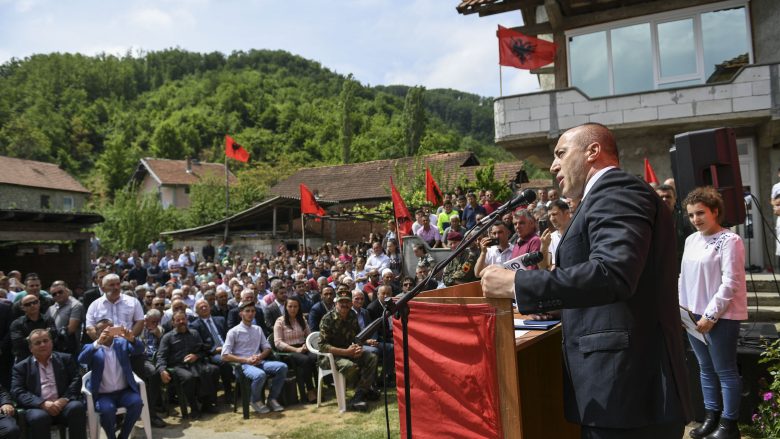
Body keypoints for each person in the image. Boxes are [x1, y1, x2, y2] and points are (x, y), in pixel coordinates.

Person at [480, 123, 691, 438]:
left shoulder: (617, 189)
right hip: (619, 391)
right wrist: (555, 308)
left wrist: (516, 285)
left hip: (629, 392)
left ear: (593, 151)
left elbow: (613, 274)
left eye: (561, 154)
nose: (553, 166)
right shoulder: (603, 197)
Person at [679, 186, 747, 439]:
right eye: (691, 215)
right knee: (704, 368)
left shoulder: (730, 240)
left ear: (715, 211)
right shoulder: (690, 240)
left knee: (725, 370)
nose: (696, 219)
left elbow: (731, 282)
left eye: (701, 213)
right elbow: (684, 278)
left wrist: (711, 315)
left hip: (721, 316)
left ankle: (729, 425)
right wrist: (681, 311)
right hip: (693, 315)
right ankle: (711, 418)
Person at [13, 329, 86, 439]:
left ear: (51, 343)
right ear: (31, 348)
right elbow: (17, 391)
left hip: (63, 405)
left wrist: (64, 399)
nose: (43, 344)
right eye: (37, 343)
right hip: (38, 408)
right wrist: (42, 403)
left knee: (77, 407)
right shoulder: (21, 367)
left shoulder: (65, 359)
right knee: (38, 418)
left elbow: (76, 380)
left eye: (45, 341)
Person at [78, 320, 143, 439]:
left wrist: (132, 339)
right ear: (97, 333)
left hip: (124, 391)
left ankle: (123, 436)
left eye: (110, 329)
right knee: (107, 411)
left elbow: (139, 350)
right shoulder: (92, 347)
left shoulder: (122, 343)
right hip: (104, 395)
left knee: (137, 403)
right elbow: (81, 359)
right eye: (103, 330)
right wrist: (98, 342)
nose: (107, 332)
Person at [222, 301, 288, 414]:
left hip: (259, 362)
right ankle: (255, 400)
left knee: (282, 367)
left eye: (253, 311)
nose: (251, 313)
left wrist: (259, 356)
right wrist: (246, 360)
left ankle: (272, 398)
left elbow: (267, 348)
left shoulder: (257, 329)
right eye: (247, 311)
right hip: (243, 365)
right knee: (260, 375)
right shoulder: (233, 332)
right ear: (241, 314)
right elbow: (225, 355)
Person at [318, 291, 379, 411]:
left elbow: (356, 337)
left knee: (372, 357)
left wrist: (359, 347)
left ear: (351, 303)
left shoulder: (352, 315)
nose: (344, 304)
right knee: (350, 366)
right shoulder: (327, 319)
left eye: (347, 301)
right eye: (341, 301)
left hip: (349, 351)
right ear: (336, 303)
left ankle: (359, 394)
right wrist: (346, 352)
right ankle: (363, 392)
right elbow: (323, 346)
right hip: (331, 356)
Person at [157, 311, 220, 416]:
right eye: (178, 320)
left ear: (187, 320)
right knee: (188, 377)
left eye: (183, 319)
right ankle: (194, 407)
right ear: (173, 323)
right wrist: (162, 370)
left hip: (195, 363)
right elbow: (161, 356)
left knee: (213, 370)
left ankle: (207, 404)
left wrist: (196, 356)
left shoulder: (194, 333)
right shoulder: (167, 337)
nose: (181, 322)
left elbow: (203, 351)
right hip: (177, 366)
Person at [273, 296, 317, 403]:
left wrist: (307, 345)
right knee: (305, 360)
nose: (293, 309)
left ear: (299, 307)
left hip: (303, 347)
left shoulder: (302, 319)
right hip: (288, 351)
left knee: (316, 357)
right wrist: (295, 350)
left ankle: (319, 387)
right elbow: (278, 342)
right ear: (286, 307)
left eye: (295, 306)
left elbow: (309, 335)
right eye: (290, 306)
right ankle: (310, 391)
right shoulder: (280, 321)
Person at [189, 299, 233, 401]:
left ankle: (242, 388)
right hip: (211, 353)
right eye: (201, 307)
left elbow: (229, 335)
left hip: (228, 348)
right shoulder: (195, 325)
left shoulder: (220, 319)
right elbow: (199, 344)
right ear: (197, 311)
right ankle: (228, 391)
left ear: (210, 308)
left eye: (206, 306)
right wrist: (214, 350)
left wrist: (229, 346)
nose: (204, 308)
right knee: (223, 362)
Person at [10, 293, 59, 362]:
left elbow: (53, 335)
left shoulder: (48, 319)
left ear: (39, 303)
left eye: (35, 302)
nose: (32, 305)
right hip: (26, 361)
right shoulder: (16, 324)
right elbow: (19, 343)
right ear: (22, 308)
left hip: (48, 359)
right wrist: (44, 335)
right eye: (28, 304)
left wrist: (29, 339)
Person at [45, 281, 83, 356]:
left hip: (69, 347)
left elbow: (71, 329)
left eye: (60, 292)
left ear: (67, 291)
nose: (57, 295)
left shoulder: (75, 305)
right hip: (53, 347)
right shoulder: (51, 308)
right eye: (54, 294)